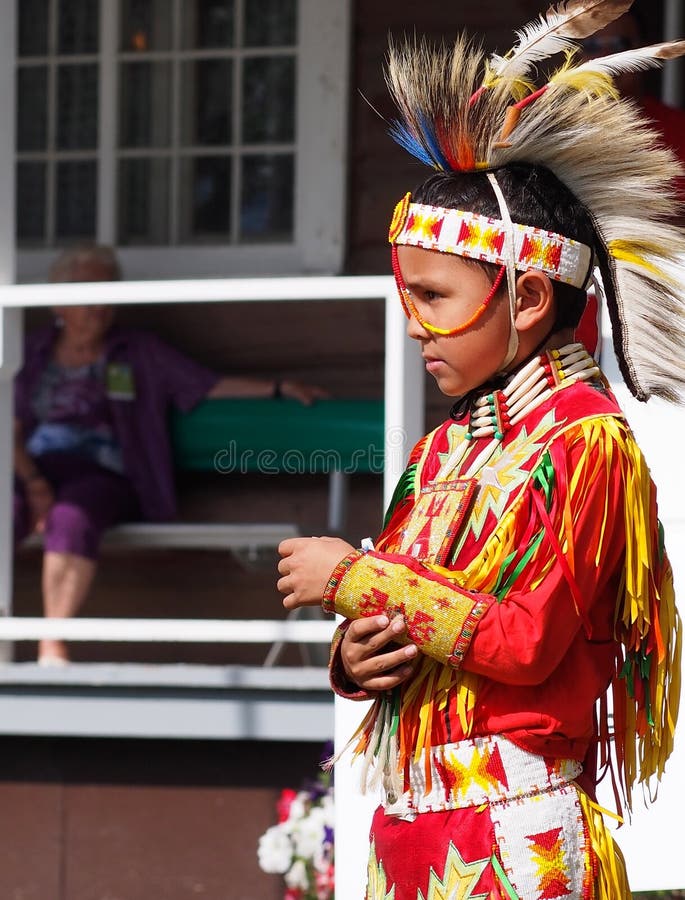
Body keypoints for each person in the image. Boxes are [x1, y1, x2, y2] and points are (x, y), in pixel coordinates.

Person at [277, 3, 685, 897]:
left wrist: (352, 577)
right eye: (408, 297)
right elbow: (409, 615)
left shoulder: (583, 443)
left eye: (432, 296)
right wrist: (356, 657)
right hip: (405, 829)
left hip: (514, 838)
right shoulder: (438, 453)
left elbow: (527, 640)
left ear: (528, 298)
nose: (413, 324)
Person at [14, 244, 325, 665]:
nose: (100, 307)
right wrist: (33, 484)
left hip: (103, 474)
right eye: (88, 294)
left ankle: (52, 643)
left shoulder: (137, 349)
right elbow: (8, 427)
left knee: (73, 515)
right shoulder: (31, 353)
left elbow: (204, 384)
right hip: (32, 470)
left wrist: (277, 388)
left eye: (108, 293)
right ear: (58, 303)